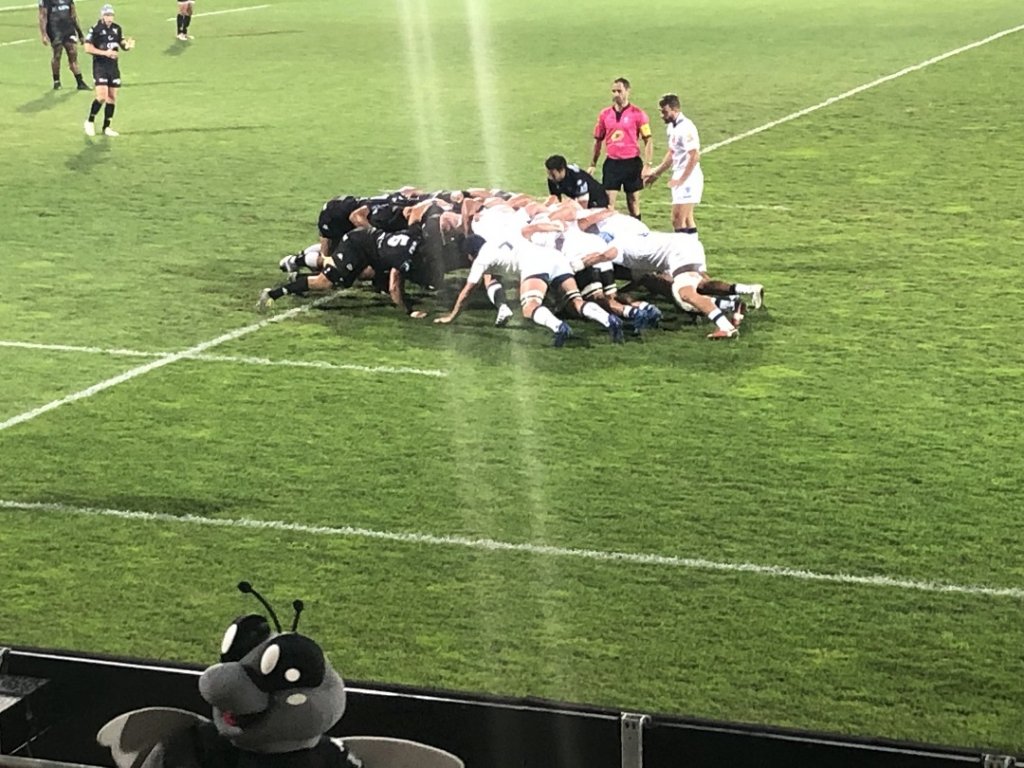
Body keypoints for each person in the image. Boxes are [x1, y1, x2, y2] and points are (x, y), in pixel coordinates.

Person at [258, 226, 428, 319]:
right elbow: (394, 288)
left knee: (353, 279)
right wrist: (409, 311)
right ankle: (273, 294)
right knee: (325, 282)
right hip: (357, 246)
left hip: (369, 242)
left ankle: (299, 277)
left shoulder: (415, 237)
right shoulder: (403, 256)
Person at [587, 77, 653, 219]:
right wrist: (593, 164)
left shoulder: (638, 114)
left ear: (627, 91)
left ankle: (638, 232)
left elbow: (648, 140)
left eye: (619, 91)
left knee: (633, 202)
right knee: (608, 204)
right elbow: (598, 140)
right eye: (614, 91)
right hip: (612, 164)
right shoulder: (604, 114)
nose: (616, 94)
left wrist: (648, 164)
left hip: (632, 163)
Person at [643, 93, 703, 234]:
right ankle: (691, 251)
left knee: (677, 219)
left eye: (664, 112)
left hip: (688, 178)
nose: (662, 115)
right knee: (686, 219)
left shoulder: (686, 127)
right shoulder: (672, 127)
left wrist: (682, 179)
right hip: (679, 175)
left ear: (675, 110)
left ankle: (682, 252)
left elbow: (694, 156)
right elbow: (672, 152)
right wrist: (656, 173)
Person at [82, 4, 133, 138]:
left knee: (112, 98)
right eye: (107, 15)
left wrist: (127, 46)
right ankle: (90, 121)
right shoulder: (96, 29)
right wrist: (105, 53)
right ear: (102, 16)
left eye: (111, 15)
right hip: (100, 67)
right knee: (101, 97)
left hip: (113, 67)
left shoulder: (117, 29)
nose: (109, 18)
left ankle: (107, 127)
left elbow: (121, 44)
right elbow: (87, 48)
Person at [38, 0, 89, 90]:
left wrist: (80, 34)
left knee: (73, 53)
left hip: (68, 29)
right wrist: (44, 34)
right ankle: (56, 81)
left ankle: (80, 82)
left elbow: (73, 15)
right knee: (57, 54)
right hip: (55, 30)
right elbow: (43, 16)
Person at [544, 155, 609, 210]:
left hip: (597, 201)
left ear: (562, 170)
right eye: (548, 173)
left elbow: (583, 204)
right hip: (579, 199)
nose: (550, 177)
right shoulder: (552, 179)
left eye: (553, 174)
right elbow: (555, 198)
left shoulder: (577, 178)